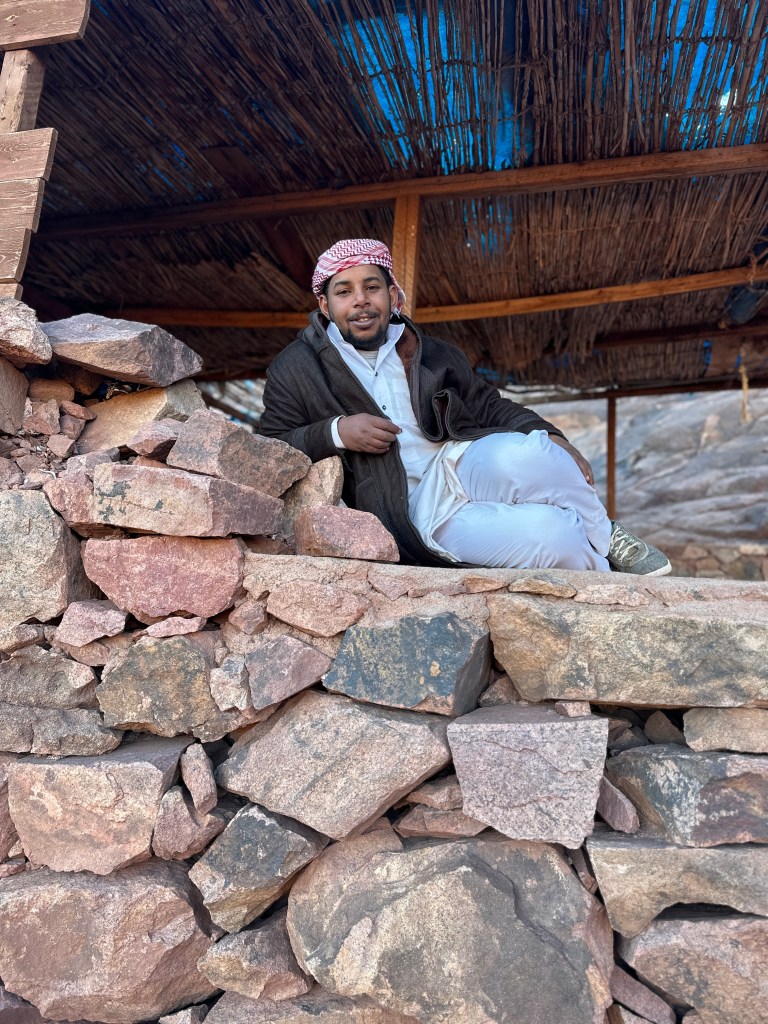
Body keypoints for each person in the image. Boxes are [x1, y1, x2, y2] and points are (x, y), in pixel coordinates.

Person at [260, 238, 670, 575]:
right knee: (554, 536)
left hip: (461, 463)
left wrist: (556, 436)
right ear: (325, 306)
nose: (361, 301)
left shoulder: (429, 351)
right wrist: (337, 432)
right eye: (344, 292)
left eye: (372, 287)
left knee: (536, 450)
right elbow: (271, 447)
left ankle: (607, 536)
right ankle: (607, 585)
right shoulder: (296, 367)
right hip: (410, 508)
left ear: (391, 294)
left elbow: (488, 406)